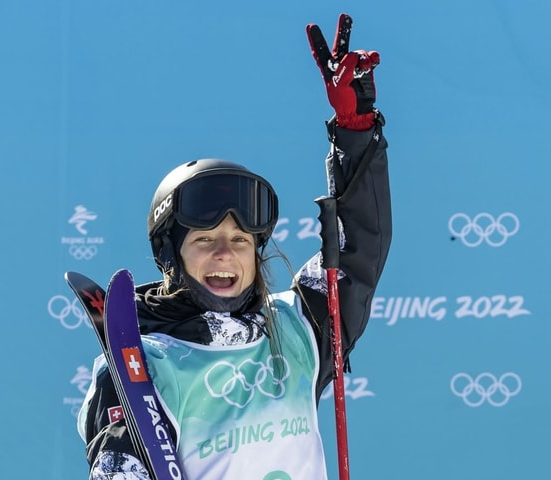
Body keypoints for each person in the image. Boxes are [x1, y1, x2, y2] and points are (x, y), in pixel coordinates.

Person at [76, 13, 392, 480]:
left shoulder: (298, 329)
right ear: (170, 255)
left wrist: (356, 132)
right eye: (205, 240)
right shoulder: (140, 368)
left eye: (241, 241)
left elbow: (356, 248)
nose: (225, 254)